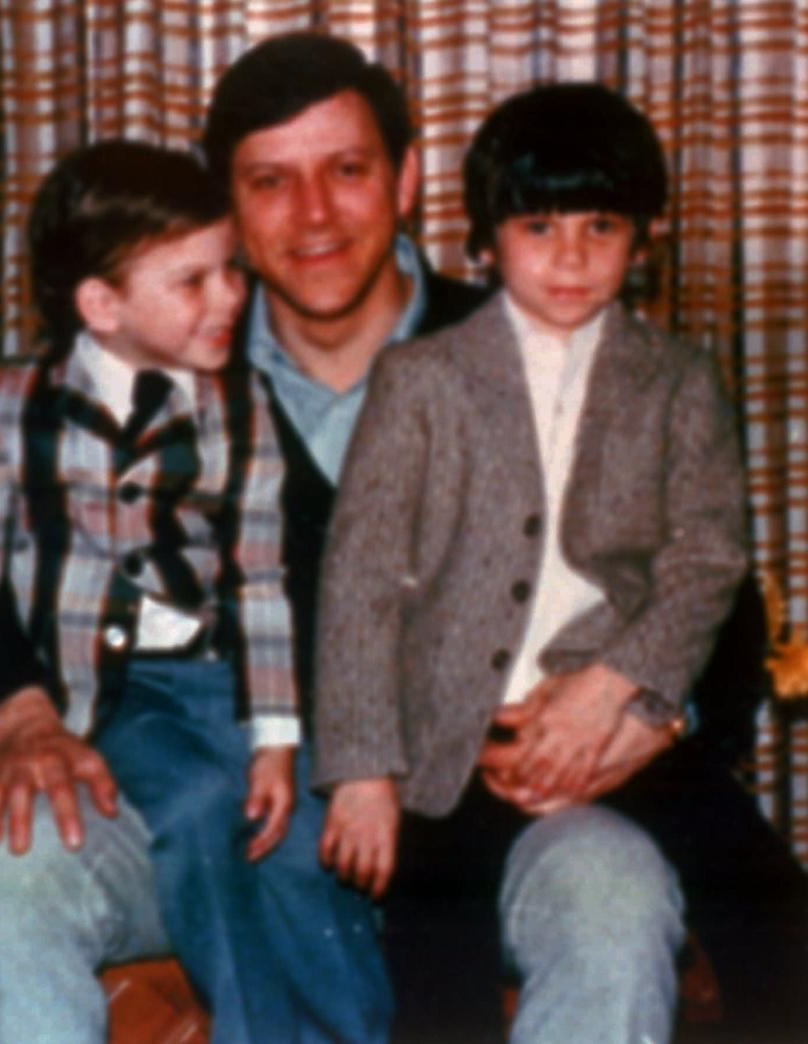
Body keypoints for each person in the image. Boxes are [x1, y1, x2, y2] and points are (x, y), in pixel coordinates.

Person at [313, 82, 808, 1044]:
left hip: (623, 725)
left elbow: (709, 557)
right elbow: (361, 581)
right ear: (488, 238)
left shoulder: (680, 379)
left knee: (779, 920)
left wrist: (624, 685)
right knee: (433, 960)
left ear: (644, 236)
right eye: (540, 227)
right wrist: (364, 772)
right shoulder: (421, 380)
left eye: (602, 227)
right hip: (455, 749)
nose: (572, 258)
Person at [0, 138, 392, 1044]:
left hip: (221, 684)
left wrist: (279, 738)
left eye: (231, 272)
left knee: (299, 844)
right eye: (194, 282)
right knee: (200, 808)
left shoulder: (241, 404)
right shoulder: (13, 401)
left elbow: (261, 579)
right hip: (111, 698)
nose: (231, 298)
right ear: (100, 304)